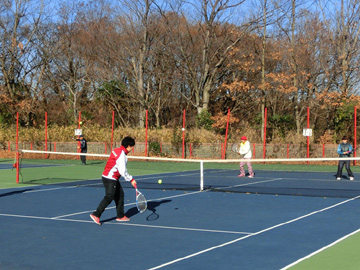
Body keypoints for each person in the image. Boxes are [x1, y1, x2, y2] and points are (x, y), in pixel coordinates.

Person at [90, 136, 137, 225]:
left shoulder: (116, 150)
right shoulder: (122, 155)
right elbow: (122, 171)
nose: (131, 149)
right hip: (110, 178)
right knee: (109, 196)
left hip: (108, 177)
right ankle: (96, 214)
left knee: (120, 195)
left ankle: (120, 216)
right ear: (128, 146)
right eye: (131, 147)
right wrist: (131, 179)